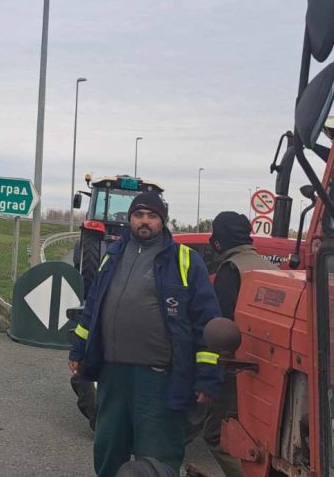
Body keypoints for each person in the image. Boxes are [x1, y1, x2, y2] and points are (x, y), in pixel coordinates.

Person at [69, 192, 223, 477]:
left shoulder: (185, 260)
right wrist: (79, 349)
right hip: (114, 375)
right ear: (129, 219)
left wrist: (207, 376)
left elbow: (207, 321)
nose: (144, 221)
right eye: (139, 215)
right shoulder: (112, 256)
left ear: (162, 221)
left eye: (152, 216)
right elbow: (94, 305)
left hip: (160, 379)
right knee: (108, 449)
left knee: (157, 456)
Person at [196, 212, 273, 477]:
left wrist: (210, 376)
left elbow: (221, 327)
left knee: (216, 435)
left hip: (237, 371)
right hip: (269, 370)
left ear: (218, 242)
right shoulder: (267, 267)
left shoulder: (231, 272)